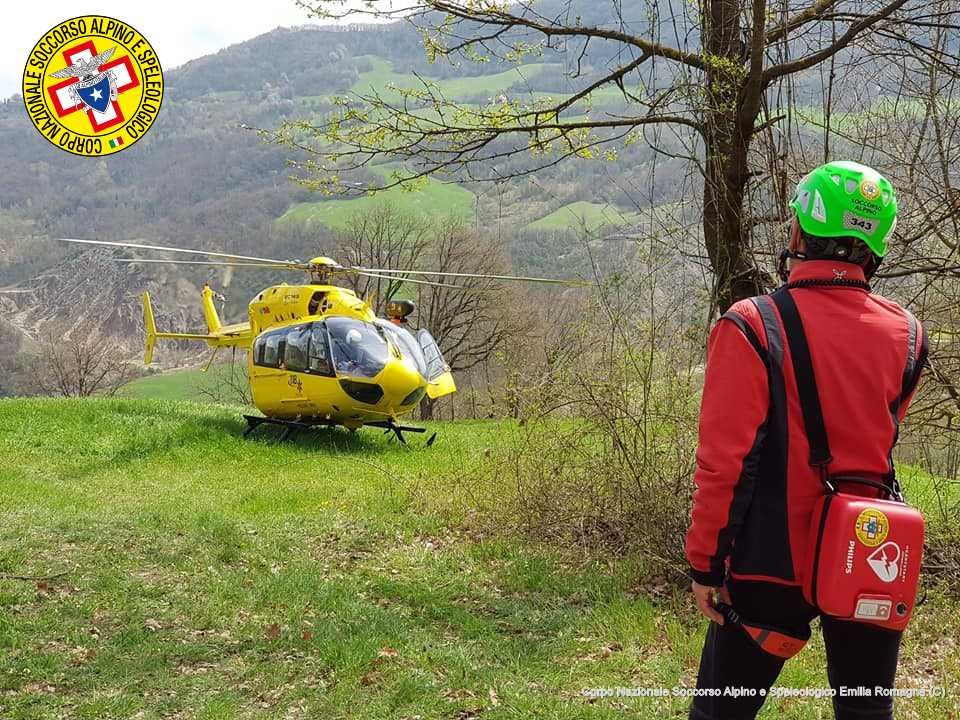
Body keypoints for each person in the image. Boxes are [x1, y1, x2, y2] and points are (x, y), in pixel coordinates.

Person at [685, 161, 927, 720]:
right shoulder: (909, 335)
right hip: (870, 549)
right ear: (876, 247)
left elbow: (724, 464)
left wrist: (705, 563)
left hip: (769, 562)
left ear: (798, 234)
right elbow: (880, 438)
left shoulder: (750, 325)